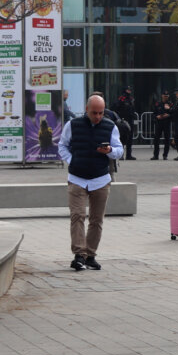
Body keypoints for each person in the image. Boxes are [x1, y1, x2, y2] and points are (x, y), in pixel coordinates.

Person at [57, 95, 124, 271]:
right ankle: (79, 254)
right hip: (77, 178)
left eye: (101, 113)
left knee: (96, 219)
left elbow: (119, 150)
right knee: (77, 216)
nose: (98, 116)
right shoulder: (72, 125)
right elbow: (62, 145)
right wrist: (72, 160)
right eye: (94, 112)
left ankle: (91, 255)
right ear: (86, 109)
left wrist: (109, 150)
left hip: (100, 179)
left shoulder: (110, 126)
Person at [113, 87, 137, 160]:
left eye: (130, 90)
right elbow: (115, 108)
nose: (129, 91)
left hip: (130, 121)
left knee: (130, 139)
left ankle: (129, 155)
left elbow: (133, 109)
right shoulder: (121, 99)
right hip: (123, 121)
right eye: (127, 90)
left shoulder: (131, 99)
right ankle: (121, 155)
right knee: (122, 138)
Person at [152, 91, 174, 160]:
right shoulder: (158, 103)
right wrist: (157, 117)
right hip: (159, 123)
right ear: (162, 96)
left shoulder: (170, 104)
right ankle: (156, 155)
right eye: (164, 96)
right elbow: (154, 113)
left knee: (167, 140)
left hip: (166, 123)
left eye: (167, 96)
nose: (165, 97)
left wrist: (168, 115)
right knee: (156, 140)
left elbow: (173, 113)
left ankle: (165, 155)